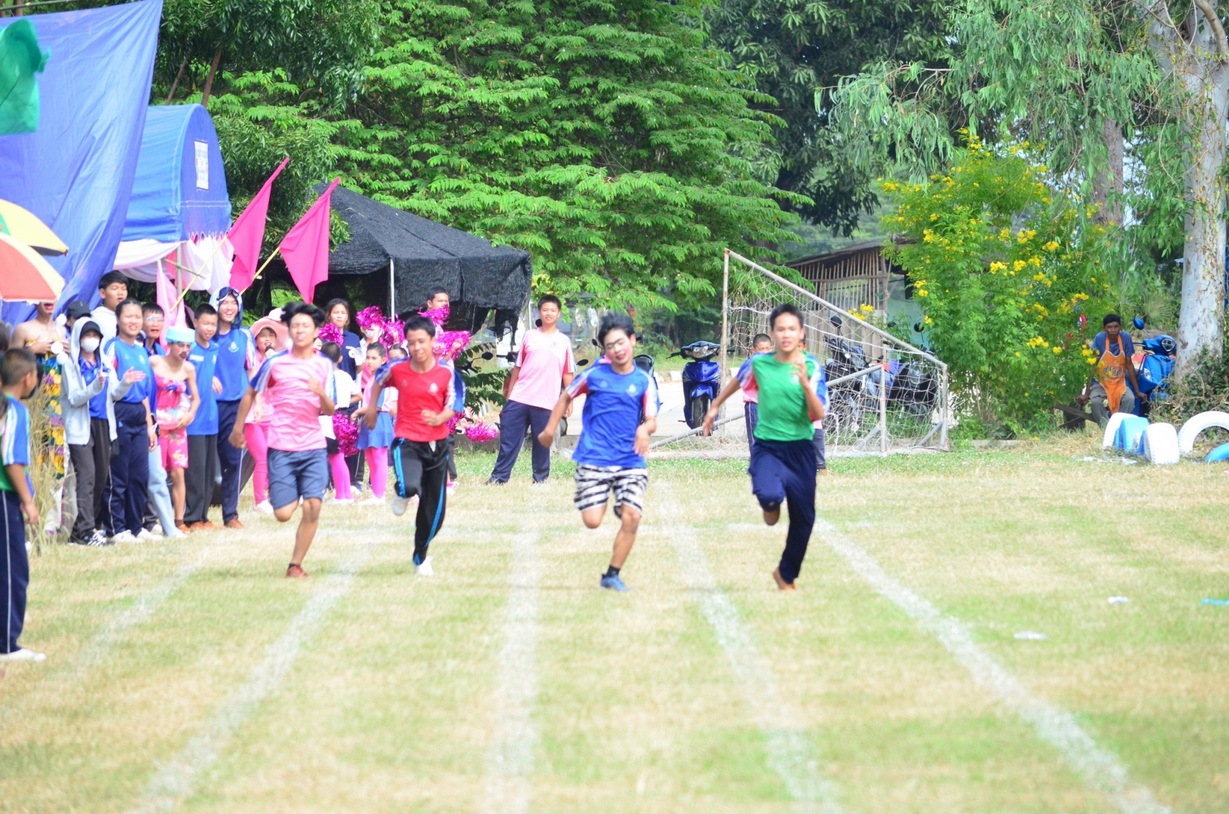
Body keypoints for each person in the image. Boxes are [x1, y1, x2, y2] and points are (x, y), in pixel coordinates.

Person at [703, 303, 824, 591]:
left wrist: (805, 385)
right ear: (773, 333)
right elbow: (738, 381)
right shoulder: (759, 363)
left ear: (801, 333)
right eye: (781, 329)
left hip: (801, 449)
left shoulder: (811, 366)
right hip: (768, 446)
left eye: (792, 329)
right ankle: (770, 505)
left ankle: (786, 574)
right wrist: (715, 406)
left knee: (804, 518)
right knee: (769, 497)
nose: (786, 334)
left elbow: (818, 414)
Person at [537, 312, 658, 592]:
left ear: (632, 340)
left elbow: (652, 419)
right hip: (594, 458)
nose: (617, 349)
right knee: (592, 521)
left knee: (632, 517)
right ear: (604, 350)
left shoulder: (644, 380)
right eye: (610, 346)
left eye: (621, 342)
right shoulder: (593, 376)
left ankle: (612, 575)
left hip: (630, 460)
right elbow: (566, 395)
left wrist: (644, 429)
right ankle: (607, 500)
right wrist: (549, 429)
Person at [228, 302, 336, 578]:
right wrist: (238, 429)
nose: (300, 330)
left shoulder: (324, 365)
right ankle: (294, 489)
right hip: (281, 447)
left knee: (313, 506)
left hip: (313, 446)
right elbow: (250, 393)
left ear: (316, 331)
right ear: (288, 330)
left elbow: (330, 409)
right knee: (284, 513)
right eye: (295, 326)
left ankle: (295, 565)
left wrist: (320, 393)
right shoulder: (275, 363)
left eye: (305, 326)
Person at [368, 316, 457, 576]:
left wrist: (439, 418)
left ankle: (420, 557)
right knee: (409, 485)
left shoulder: (446, 372)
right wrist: (372, 408)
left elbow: (454, 404)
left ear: (432, 341)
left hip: (438, 446)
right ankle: (402, 492)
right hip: (407, 441)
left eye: (421, 341)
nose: (417, 347)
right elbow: (378, 379)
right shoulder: (398, 368)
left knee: (434, 514)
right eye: (412, 343)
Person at [488, 294, 576, 485]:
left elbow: (567, 373)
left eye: (552, 310)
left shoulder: (563, 341)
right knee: (509, 441)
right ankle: (499, 478)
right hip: (520, 396)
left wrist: (569, 400)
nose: (548, 313)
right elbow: (517, 368)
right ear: (539, 312)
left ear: (558, 313)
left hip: (546, 401)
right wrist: (509, 396)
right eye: (545, 310)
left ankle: (540, 479)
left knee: (542, 442)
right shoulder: (530, 336)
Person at [1, 349, 45, 662]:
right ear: (28, 378)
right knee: (12, 571)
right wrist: (28, 501)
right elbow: (12, 459)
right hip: (4, 497)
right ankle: (7, 644)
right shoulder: (14, 410)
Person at [61, 319, 120, 546]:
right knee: (86, 476)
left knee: (100, 477)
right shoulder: (70, 364)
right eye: (88, 335)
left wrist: (126, 382)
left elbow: (115, 393)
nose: (92, 340)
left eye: (96, 335)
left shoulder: (104, 362)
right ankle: (86, 531)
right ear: (78, 337)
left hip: (103, 423)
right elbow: (75, 398)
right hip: (80, 426)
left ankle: (80, 530)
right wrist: (95, 386)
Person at [103, 300, 157, 544]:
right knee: (119, 476)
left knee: (139, 476)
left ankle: (136, 526)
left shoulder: (141, 351)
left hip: (138, 415)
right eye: (128, 316)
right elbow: (107, 387)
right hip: (119, 412)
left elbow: (144, 393)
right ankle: (116, 528)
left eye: (137, 317)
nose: (134, 321)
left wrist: (149, 424)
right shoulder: (113, 348)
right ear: (118, 319)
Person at [150, 326, 200, 531]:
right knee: (157, 472)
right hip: (158, 425)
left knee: (178, 472)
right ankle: (154, 519)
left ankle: (179, 520)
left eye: (188, 346)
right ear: (169, 344)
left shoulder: (188, 368)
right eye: (180, 345)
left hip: (178, 425)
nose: (184, 350)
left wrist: (190, 415)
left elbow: (196, 398)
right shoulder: (155, 362)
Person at [211, 288, 252, 529]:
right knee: (204, 461)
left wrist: (254, 403)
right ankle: (196, 515)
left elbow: (252, 370)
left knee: (233, 460)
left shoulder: (244, 335)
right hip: (207, 406)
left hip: (235, 406)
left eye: (233, 303)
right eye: (224, 302)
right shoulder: (205, 334)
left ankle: (230, 514)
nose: (229, 307)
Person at [244, 312, 288, 513]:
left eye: (271, 335)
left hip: (272, 415)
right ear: (256, 339)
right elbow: (253, 384)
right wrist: (258, 406)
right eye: (263, 335)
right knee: (261, 457)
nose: (267, 339)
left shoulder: (277, 359)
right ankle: (259, 500)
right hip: (253, 415)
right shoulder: (252, 358)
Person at [184, 305, 222, 531]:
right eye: (205, 323)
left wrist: (213, 379)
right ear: (196, 322)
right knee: (195, 472)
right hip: (193, 421)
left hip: (211, 418)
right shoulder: (188, 349)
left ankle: (203, 516)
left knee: (208, 472)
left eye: (213, 324)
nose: (209, 328)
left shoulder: (214, 348)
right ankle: (191, 517)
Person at [1078, 313, 1145, 424]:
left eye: (1116, 326)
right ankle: (1105, 427)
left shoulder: (1125, 337)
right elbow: (1093, 366)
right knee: (1095, 402)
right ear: (1104, 328)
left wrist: (1137, 391)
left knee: (1130, 399)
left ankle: (1117, 425)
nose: (1113, 330)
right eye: (1109, 327)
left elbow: (1129, 364)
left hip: (1118, 381)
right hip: (1101, 382)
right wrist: (1086, 393)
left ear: (1120, 327)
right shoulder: (1099, 338)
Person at [354, 343, 394, 504]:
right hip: (369, 419)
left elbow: (377, 405)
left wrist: (358, 412)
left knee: (379, 459)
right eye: (368, 358)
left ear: (383, 360)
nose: (369, 361)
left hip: (379, 419)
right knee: (371, 459)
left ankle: (379, 495)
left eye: (374, 358)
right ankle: (375, 493)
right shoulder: (373, 377)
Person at [319, 341, 358, 505]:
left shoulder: (323, 378)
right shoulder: (345, 376)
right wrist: (345, 402)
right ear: (340, 358)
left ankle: (341, 496)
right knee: (340, 457)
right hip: (343, 416)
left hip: (328, 419)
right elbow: (359, 395)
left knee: (335, 457)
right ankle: (346, 493)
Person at [740, 333, 773, 450]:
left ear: (771, 349)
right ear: (753, 350)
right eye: (761, 349)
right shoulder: (750, 364)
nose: (764, 352)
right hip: (754, 406)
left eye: (767, 349)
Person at [324, 298, 363, 379]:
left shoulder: (354, 338)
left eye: (343, 313)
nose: (339, 316)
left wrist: (360, 362)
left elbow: (358, 369)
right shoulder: (322, 337)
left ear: (347, 317)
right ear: (329, 316)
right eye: (336, 312)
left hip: (348, 384)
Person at [91, 271, 128, 341]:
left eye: (123, 289)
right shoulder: (96, 317)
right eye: (115, 288)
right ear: (103, 293)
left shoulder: (129, 317)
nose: (120, 293)